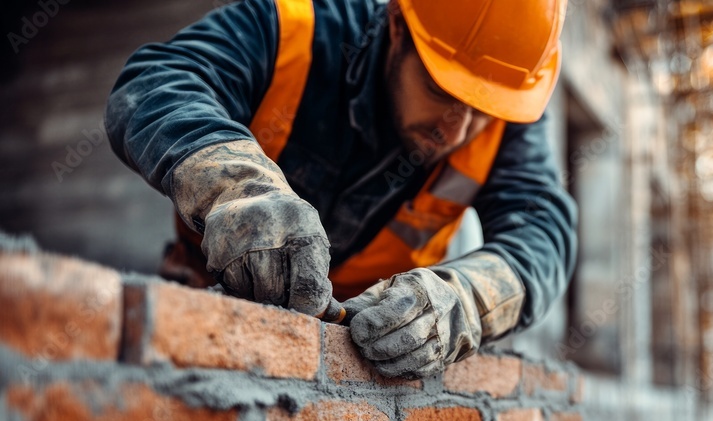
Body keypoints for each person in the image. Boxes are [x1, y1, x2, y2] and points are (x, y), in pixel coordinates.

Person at [105, 0, 577, 379]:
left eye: (482, 110)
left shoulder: (508, 111)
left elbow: (542, 229)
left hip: (366, 357)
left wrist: (469, 301)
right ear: (396, 24)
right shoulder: (296, 30)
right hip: (209, 308)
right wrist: (238, 190)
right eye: (442, 92)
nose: (457, 130)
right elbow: (156, 84)